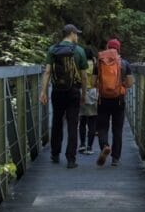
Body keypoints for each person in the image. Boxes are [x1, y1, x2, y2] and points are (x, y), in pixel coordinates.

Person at [40, 23, 88, 168]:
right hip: (73, 91)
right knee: (73, 124)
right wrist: (84, 93)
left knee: (57, 121)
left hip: (57, 91)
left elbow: (47, 72)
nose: (77, 36)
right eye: (76, 34)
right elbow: (84, 76)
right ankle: (71, 159)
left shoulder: (53, 49)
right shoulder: (79, 51)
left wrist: (43, 91)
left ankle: (55, 154)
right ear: (72, 34)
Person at [95, 38, 134, 167]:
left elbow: (95, 82)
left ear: (107, 47)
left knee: (102, 127)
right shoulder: (125, 63)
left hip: (103, 99)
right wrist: (120, 85)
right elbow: (129, 83)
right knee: (117, 130)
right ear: (119, 49)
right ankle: (115, 158)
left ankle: (105, 146)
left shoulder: (100, 63)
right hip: (118, 100)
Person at [78, 47, 98, 155]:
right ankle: (90, 147)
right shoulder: (95, 65)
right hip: (93, 93)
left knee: (82, 120)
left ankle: (82, 144)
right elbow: (96, 82)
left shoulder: (81, 65)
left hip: (82, 92)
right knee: (92, 121)